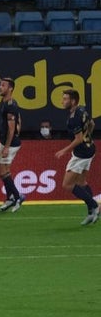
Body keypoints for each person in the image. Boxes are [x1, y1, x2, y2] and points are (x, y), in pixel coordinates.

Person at [53, 90, 98, 225]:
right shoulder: (82, 110)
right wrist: (87, 137)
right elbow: (92, 124)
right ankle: (92, 212)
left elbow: (78, 139)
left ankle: (94, 205)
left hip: (81, 154)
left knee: (67, 185)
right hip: (90, 148)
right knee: (81, 183)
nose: (62, 101)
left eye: (65, 99)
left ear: (73, 101)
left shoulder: (74, 118)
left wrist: (64, 150)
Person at [0, 79, 25, 213]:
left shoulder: (10, 105)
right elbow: (18, 119)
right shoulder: (8, 103)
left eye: (3, 85)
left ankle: (17, 197)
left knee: (3, 172)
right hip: (6, 141)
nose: (0, 87)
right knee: (2, 172)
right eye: (0, 85)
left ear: (10, 88)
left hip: (10, 143)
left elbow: (12, 128)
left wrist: (7, 147)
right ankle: (10, 198)